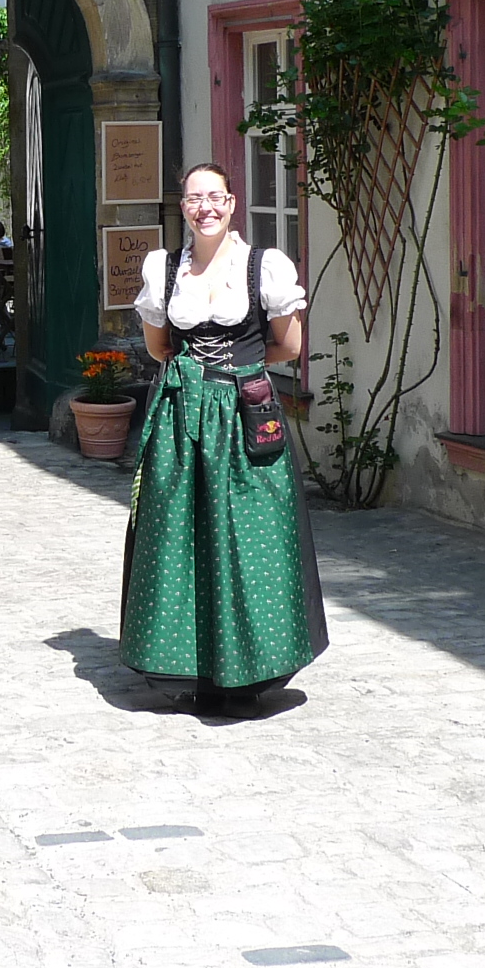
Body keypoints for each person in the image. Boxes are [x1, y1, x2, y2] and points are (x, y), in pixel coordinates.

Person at [121, 161, 325, 715]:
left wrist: (235, 372)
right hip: (182, 415)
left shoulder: (265, 267)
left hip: (243, 415)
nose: (205, 207)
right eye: (194, 198)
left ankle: (249, 670)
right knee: (180, 534)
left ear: (232, 204)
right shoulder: (164, 268)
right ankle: (191, 667)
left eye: (215, 197)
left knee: (251, 536)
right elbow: (161, 347)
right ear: (183, 207)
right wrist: (200, 382)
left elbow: (288, 347)